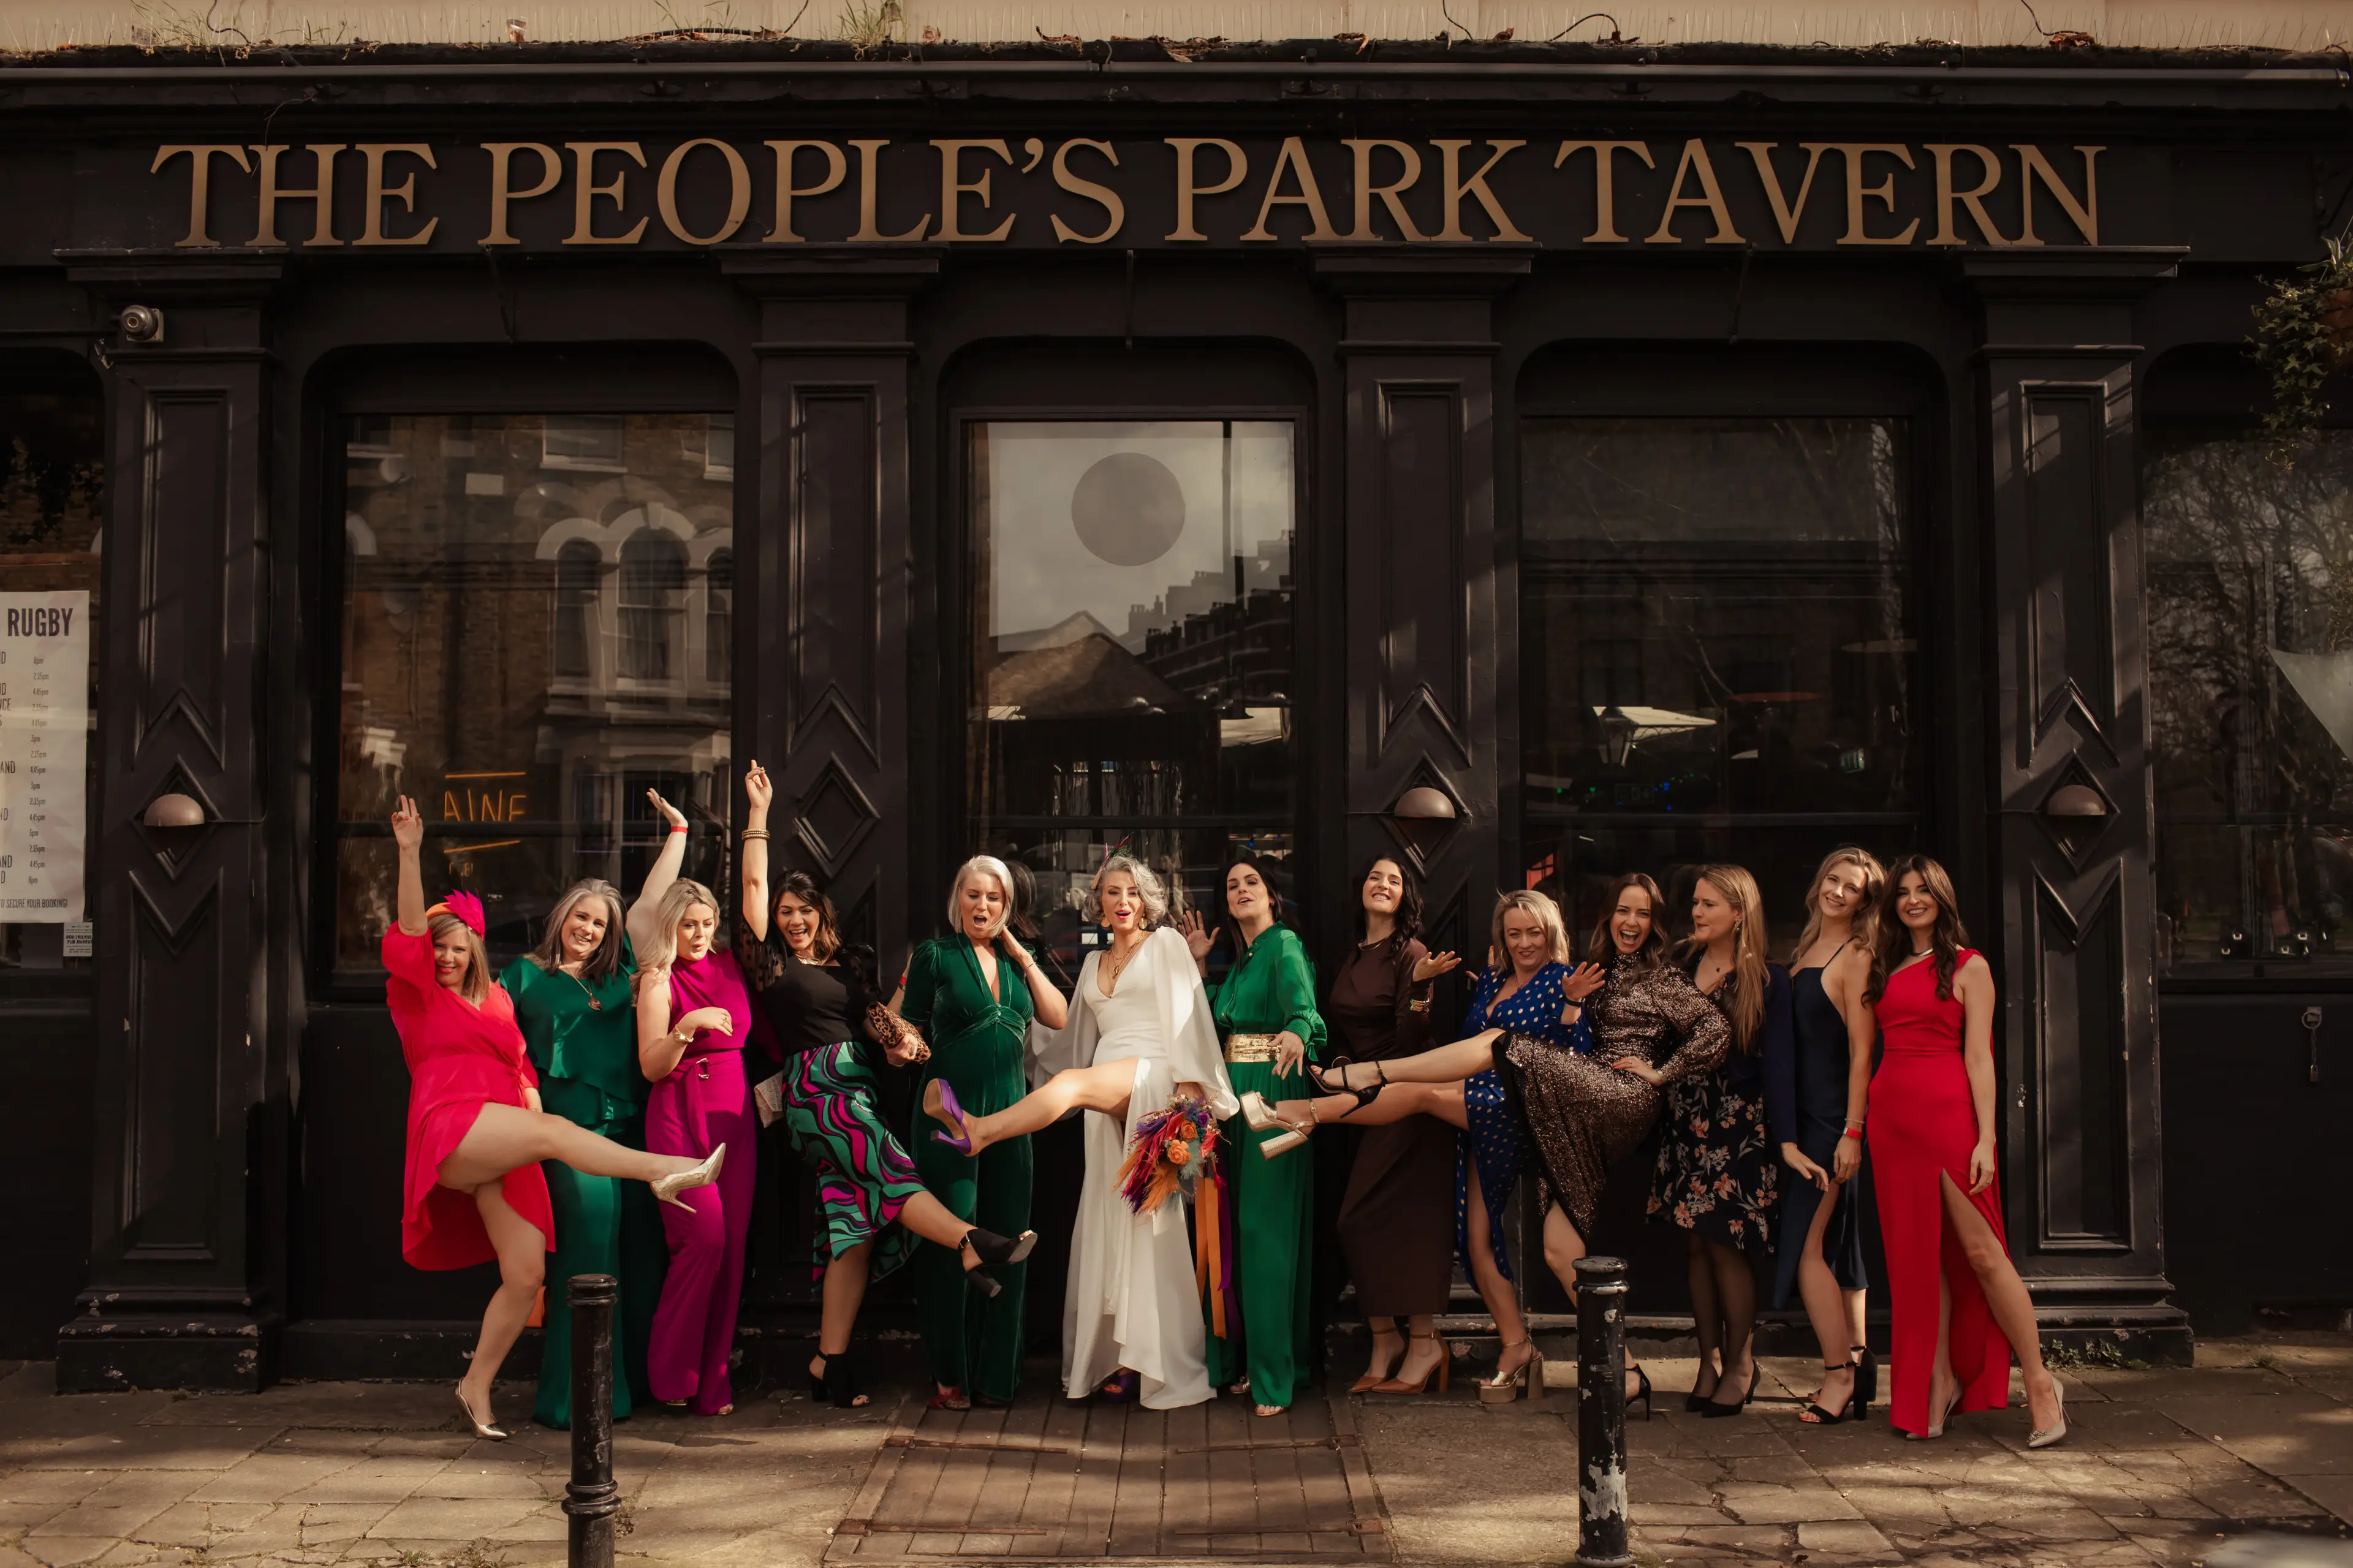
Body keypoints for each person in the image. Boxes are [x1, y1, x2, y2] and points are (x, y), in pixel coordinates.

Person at [1309, 874, 1718, 1417]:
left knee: (1457, 1073)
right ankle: (1602, 1365)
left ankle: (1334, 1095)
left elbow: (1694, 1033)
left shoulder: (1627, 977)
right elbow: (1471, 1042)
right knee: (1535, 1248)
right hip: (1533, 1110)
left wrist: (1660, 1071)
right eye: (1623, 911)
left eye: (1643, 915)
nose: (1631, 923)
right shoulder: (1576, 971)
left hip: (1581, 1102)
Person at [381, 796, 721, 1442]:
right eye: (439, 949)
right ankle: (669, 1172)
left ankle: (475, 1385)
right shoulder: (428, 991)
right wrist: (407, 853)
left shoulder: (496, 1000)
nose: (447, 958)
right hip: (466, 1125)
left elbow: (520, 1064)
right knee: (565, 1152)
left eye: (459, 947)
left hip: (512, 1138)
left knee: (527, 1272)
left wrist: (678, 832)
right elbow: (410, 936)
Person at [737, 761, 1041, 1411]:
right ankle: (968, 1240)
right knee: (897, 1168)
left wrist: (906, 1045)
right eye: (784, 913)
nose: (792, 921)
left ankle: (830, 1363)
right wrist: (759, 816)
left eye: (803, 910)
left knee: (855, 1230)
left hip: (862, 1088)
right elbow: (756, 887)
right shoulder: (771, 963)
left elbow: (887, 1030)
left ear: (823, 912)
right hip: (819, 1095)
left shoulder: (852, 966)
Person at [920, 855, 1235, 1410]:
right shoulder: (1091, 963)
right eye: (1111, 892)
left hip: (1154, 1078)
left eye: (1132, 892)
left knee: (1068, 1085)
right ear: (1099, 902)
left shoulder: (1165, 946)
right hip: (1103, 1090)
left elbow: (1190, 1020)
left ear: (1147, 900)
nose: (1122, 902)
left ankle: (981, 1131)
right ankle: (1124, 1357)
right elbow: (1065, 1042)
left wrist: (1188, 1105)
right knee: (1117, 1216)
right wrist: (996, 1045)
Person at [498, 790, 686, 1429]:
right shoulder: (523, 978)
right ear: (562, 918)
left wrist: (679, 834)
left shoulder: (618, 975)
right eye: (581, 917)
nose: (590, 928)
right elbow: (491, 1041)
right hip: (567, 1136)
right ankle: (575, 1401)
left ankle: (628, 1389)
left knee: (638, 1258)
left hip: (630, 1133)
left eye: (600, 923)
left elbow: (652, 906)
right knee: (589, 1252)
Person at [1863, 855, 2066, 1447]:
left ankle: (2041, 1383)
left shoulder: (1971, 967)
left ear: (1942, 898)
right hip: (1892, 1123)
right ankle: (1938, 1380)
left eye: (1924, 890)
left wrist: (1987, 1138)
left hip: (1949, 1119)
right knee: (1919, 1262)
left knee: (1981, 1252)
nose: (1912, 900)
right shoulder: (1887, 964)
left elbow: (1980, 1058)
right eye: (1903, 893)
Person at [897, 854, 1070, 1411]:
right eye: (973, 895)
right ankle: (952, 1378)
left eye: (994, 898)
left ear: (1007, 906)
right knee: (954, 1239)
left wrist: (1019, 950)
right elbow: (904, 1026)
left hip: (1010, 1117)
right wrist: (897, 1040)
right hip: (949, 1112)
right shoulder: (935, 955)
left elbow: (1058, 1016)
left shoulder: (1019, 961)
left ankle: (998, 1377)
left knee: (1011, 1241)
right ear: (958, 900)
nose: (983, 906)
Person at [1183, 854, 1325, 1417]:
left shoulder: (1284, 944)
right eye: (1232, 884)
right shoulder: (1242, 962)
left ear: (1272, 896)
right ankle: (1250, 1362)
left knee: (1264, 1232)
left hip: (1272, 1094)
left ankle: (1274, 1380)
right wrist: (1199, 966)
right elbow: (1212, 1024)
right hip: (1230, 1101)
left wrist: (1296, 1032)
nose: (1241, 890)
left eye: (1252, 883)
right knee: (1233, 1233)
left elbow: (1307, 1011)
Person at [1648, 865, 1786, 1417]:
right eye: (1697, 903)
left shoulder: (1766, 979)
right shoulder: (1680, 965)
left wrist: (1788, 1141)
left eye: (1709, 904)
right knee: (1695, 1245)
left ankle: (1741, 1363)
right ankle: (1706, 1361)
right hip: (1683, 1119)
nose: (1697, 913)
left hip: (1737, 1125)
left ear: (1739, 911)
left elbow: (1777, 1068)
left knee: (1727, 1245)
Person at [1328, 857, 1460, 1395]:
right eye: (1375, 875)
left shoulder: (1413, 954)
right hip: (1364, 1097)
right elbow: (1345, 1024)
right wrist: (1337, 1062)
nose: (1382, 884)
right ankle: (1386, 1338)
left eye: (1395, 880)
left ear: (1405, 897)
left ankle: (1424, 1342)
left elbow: (1411, 1037)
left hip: (1408, 1097)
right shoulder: (1354, 952)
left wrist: (1422, 988)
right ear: (1361, 888)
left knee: (1391, 1220)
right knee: (1371, 1221)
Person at [635, 876, 763, 1415]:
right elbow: (650, 1065)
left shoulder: (734, 963)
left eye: (707, 923)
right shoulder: (657, 978)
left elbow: (757, 893)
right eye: (689, 924)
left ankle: (712, 1385)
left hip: (734, 1117)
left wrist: (759, 812)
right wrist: (687, 1025)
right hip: (678, 1114)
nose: (699, 933)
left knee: (731, 1251)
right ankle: (670, 1374)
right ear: (670, 924)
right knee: (704, 1236)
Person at [1767, 847, 1883, 1426]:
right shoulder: (1805, 946)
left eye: (1852, 887)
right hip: (1807, 1113)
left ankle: (1837, 1374)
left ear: (1865, 900)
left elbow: (1863, 1051)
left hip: (1831, 1120)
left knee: (1808, 1248)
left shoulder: (1857, 954)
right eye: (1833, 879)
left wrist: (1852, 1132)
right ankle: (1858, 1363)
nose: (1838, 891)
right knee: (1839, 1244)